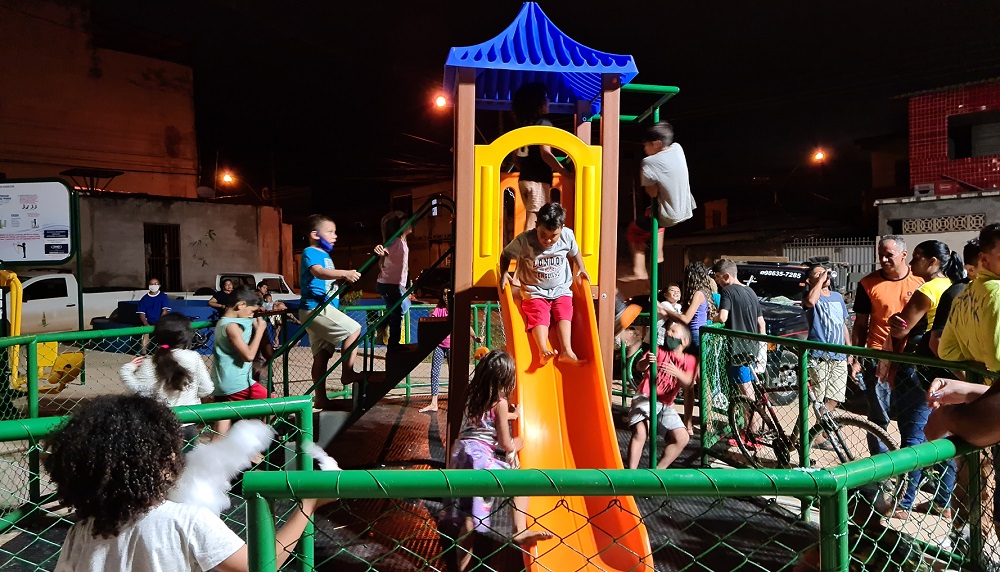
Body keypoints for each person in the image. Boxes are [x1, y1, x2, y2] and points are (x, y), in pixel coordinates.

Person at [46, 394, 329, 572]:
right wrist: (308, 506)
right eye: (169, 447)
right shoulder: (185, 521)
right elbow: (259, 564)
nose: (178, 454)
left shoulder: (83, 530)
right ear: (151, 462)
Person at [449, 350, 553, 570]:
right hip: (480, 461)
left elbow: (483, 423)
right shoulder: (500, 403)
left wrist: (510, 416)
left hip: (462, 455)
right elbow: (504, 443)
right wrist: (518, 442)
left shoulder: (471, 395)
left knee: (469, 518)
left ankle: (460, 568)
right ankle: (519, 530)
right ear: (506, 380)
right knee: (520, 481)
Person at [884, 240, 964, 519]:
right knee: (942, 433)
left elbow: (901, 330)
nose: (913, 263)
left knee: (913, 436)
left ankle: (904, 502)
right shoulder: (955, 288)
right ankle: (943, 501)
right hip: (946, 372)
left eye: (917, 258)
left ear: (933, 262)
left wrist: (895, 325)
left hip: (919, 369)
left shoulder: (927, 290)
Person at [852, 235, 924, 455]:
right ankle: (879, 475)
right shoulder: (868, 284)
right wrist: (856, 357)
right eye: (880, 255)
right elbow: (861, 324)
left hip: (910, 359)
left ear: (904, 255)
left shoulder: (920, 282)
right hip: (878, 358)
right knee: (878, 418)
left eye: (888, 255)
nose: (883, 259)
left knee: (911, 417)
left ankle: (911, 469)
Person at [928, 223, 1000, 445]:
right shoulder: (996, 295)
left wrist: (971, 388)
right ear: (984, 259)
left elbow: (946, 350)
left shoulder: (964, 295)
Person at [499, 202, 590, 364]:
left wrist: (581, 267)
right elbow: (506, 254)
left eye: (553, 236)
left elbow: (575, 253)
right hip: (535, 290)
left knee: (565, 312)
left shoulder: (567, 236)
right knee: (539, 315)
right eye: (543, 234)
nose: (547, 240)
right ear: (537, 226)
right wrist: (505, 272)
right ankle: (543, 350)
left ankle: (566, 351)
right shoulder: (525, 240)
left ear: (562, 227)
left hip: (560, 287)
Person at [299, 214, 365, 408]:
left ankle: (320, 398)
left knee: (321, 356)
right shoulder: (310, 252)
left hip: (321, 308)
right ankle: (348, 372)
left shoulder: (325, 255)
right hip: (317, 309)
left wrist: (339, 280)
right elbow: (318, 272)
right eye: (330, 232)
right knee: (354, 329)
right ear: (315, 234)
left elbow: (325, 278)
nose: (335, 235)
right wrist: (345, 272)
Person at [120, 313, 214, 442]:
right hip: (187, 423)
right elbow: (207, 389)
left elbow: (140, 391)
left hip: (158, 424)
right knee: (189, 460)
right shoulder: (193, 357)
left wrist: (126, 370)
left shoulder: (148, 363)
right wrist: (190, 395)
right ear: (186, 336)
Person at [626, 322, 696, 469]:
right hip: (645, 397)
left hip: (665, 405)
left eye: (673, 331)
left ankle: (659, 471)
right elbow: (639, 367)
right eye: (668, 330)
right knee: (641, 432)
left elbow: (689, 383)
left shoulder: (689, 360)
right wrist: (646, 361)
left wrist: (677, 373)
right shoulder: (658, 351)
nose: (668, 333)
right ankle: (631, 473)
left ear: (684, 341)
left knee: (682, 438)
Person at [658, 262, 717, 433]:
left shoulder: (698, 294)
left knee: (694, 382)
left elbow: (686, 318)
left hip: (695, 339)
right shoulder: (703, 293)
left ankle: (696, 423)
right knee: (695, 381)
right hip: (696, 338)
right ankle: (694, 423)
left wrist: (666, 310)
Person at [211, 287, 270, 437]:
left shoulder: (223, 322)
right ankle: (249, 446)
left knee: (222, 425)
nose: (252, 316)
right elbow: (249, 356)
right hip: (237, 384)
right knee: (275, 405)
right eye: (251, 311)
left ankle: (214, 457)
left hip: (222, 383)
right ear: (241, 305)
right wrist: (261, 330)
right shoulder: (232, 327)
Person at [511, 82, 569, 230]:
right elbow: (546, 154)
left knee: (534, 216)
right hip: (537, 180)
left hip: (524, 179)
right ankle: (528, 252)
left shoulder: (522, 125)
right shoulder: (543, 123)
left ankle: (530, 250)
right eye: (546, 98)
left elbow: (515, 158)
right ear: (537, 103)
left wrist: (527, 168)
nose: (548, 101)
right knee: (534, 218)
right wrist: (563, 171)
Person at [801, 263, 853, 417]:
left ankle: (821, 430)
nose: (824, 275)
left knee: (835, 396)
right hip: (820, 356)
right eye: (818, 274)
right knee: (817, 397)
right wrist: (820, 280)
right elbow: (810, 302)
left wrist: (849, 349)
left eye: (825, 273)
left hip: (839, 355)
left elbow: (842, 324)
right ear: (810, 280)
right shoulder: (809, 296)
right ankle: (811, 434)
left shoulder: (837, 297)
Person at [419, 289, 482, 414]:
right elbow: (433, 320)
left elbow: (465, 325)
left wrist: (475, 338)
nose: (445, 296)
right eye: (443, 294)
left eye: (447, 293)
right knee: (435, 372)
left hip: (451, 346)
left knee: (454, 374)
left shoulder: (456, 309)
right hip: (439, 345)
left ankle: (458, 401)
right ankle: (434, 402)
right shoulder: (440, 308)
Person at [640, 121, 695, 233]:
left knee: (633, 234)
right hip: (686, 209)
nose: (644, 149)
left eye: (646, 145)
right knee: (649, 213)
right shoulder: (678, 148)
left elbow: (653, 193)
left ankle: (639, 251)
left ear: (657, 144)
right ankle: (658, 248)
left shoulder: (648, 162)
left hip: (668, 217)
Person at [374, 211, 412, 351]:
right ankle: (393, 345)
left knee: (400, 308)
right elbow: (384, 251)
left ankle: (382, 324)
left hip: (391, 284)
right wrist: (380, 250)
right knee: (398, 314)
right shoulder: (396, 242)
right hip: (391, 285)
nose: (410, 223)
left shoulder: (402, 242)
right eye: (406, 221)